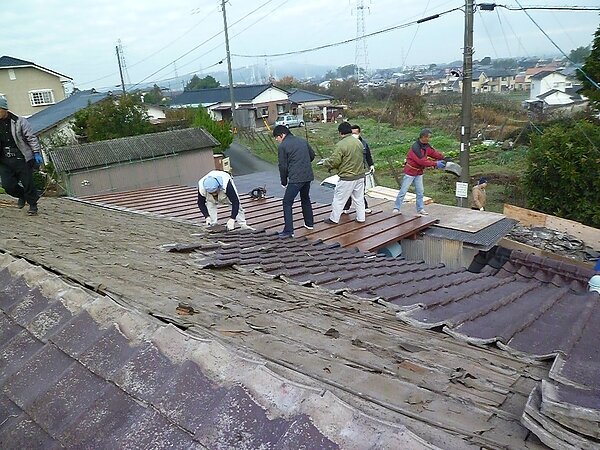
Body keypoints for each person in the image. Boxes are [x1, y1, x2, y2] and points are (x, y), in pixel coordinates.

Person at [0, 96, 43, 215]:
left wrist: (36, 153)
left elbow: (31, 137)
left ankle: (33, 206)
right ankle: (22, 195)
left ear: (5, 109)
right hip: (4, 158)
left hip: (21, 156)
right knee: (8, 186)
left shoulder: (19, 121)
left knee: (28, 182)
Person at [318, 121, 366, 224]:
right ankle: (361, 218)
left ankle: (334, 219)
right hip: (360, 176)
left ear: (340, 133)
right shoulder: (358, 142)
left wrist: (325, 163)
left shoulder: (341, 145)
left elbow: (335, 161)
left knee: (339, 199)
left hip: (347, 178)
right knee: (359, 199)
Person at [273, 124, 315, 238]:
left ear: (282, 135)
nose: (277, 140)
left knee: (287, 202)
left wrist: (283, 181)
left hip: (296, 178)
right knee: (305, 198)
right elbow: (312, 156)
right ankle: (309, 223)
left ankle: (288, 231)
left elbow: (283, 166)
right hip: (308, 176)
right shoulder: (302, 141)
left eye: (277, 138)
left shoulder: (283, 146)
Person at [393, 128, 445, 216]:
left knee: (420, 191)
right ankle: (396, 208)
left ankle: (420, 209)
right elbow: (422, 161)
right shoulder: (415, 148)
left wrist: (443, 157)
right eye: (428, 137)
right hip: (410, 172)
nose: (429, 139)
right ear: (423, 137)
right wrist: (435, 163)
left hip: (419, 172)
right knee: (403, 190)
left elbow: (433, 153)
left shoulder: (426, 146)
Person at [343, 124, 374, 214]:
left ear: (359, 133)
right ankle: (346, 207)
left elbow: (368, 155)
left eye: (356, 133)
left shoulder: (364, 144)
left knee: (360, 191)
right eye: (352, 133)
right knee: (348, 190)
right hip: (349, 171)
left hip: (361, 171)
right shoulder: (346, 143)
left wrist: (371, 165)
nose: (354, 135)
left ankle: (364, 208)